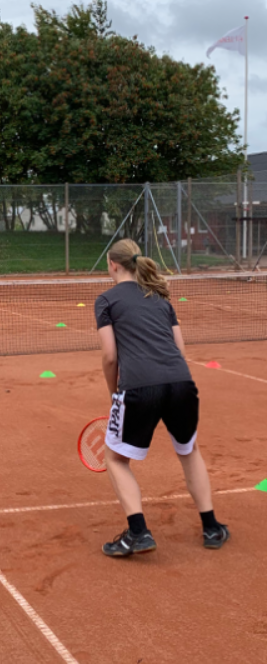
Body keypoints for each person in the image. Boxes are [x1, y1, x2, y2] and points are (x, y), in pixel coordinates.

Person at [95, 238, 229, 557]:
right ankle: (211, 527)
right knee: (189, 451)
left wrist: (114, 393)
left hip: (140, 387)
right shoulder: (160, 298)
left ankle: (138, 533)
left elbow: (110, 356)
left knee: (114, 458)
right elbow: (181, 350)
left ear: (113, 264)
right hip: (181, 383)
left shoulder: (106, 300)